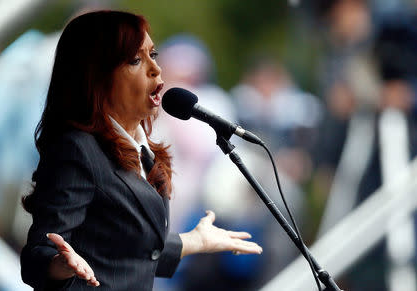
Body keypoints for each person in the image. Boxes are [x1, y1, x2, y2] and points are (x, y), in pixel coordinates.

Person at [19, 10, 262, 291]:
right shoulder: (77, 149)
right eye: (136, 60)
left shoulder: (141, 147)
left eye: (153, 55)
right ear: (97, 77)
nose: (155, 69)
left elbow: (123, 248)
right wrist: (59, 264)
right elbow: (37, 256)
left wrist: (192, 242)